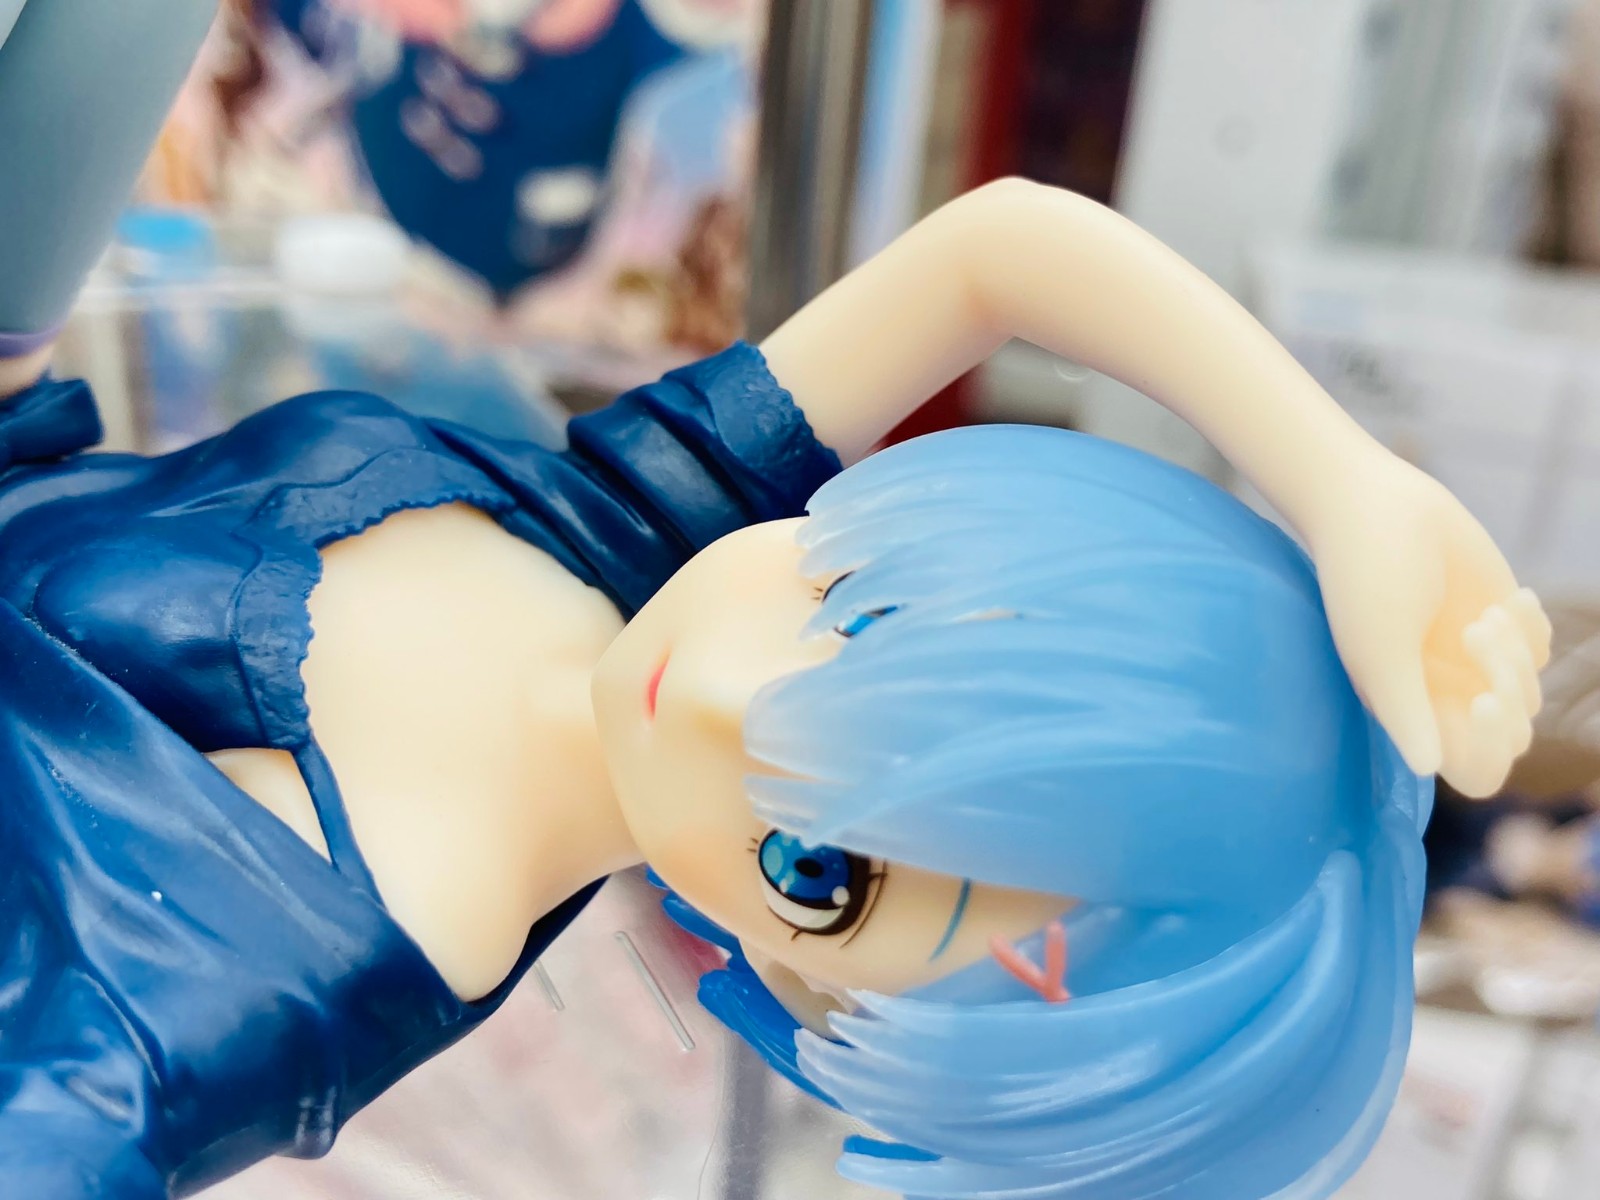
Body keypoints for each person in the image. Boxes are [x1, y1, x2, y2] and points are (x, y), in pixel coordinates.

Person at [0, 4, 1549, 1197]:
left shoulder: (286, 971)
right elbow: (1000, 255)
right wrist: (1342, 480)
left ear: (811, 987)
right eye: (856, 617)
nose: (725, 700)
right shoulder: (626, 527)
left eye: (819, 870)